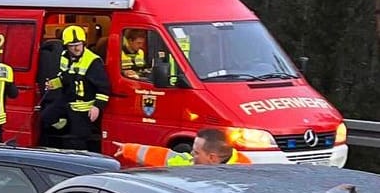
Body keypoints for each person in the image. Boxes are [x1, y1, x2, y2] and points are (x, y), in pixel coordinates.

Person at [47, 25, 110, 152]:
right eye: (72, 45)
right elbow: (65, 78)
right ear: (66, 46)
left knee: (77, 140)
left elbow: (104, 88)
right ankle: (63, 130)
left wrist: (97, 106)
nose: (76, 48)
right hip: (67, 101)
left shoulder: (93, 61)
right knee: (46, 117)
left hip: (83, 108)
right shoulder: (64, 56)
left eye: (79, 44)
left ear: (83, 43)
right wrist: (53, 84)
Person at [112, 128, 253, 168]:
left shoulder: (242, 176)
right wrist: (129, 149)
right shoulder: (193, 162)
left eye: (196, 153)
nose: (191, 154)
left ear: (212, 158)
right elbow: (166, 157)